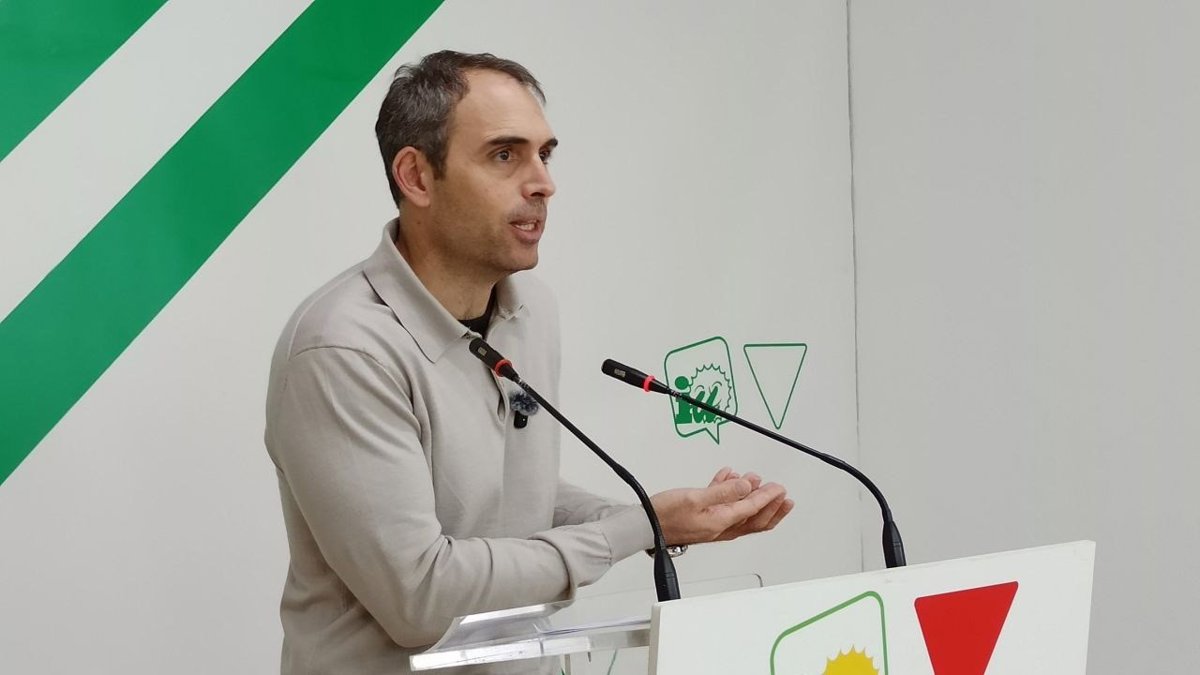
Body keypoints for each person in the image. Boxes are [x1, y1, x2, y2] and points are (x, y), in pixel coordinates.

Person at [264, 50, 794, 675]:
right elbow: (421, 598)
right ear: (417, 177)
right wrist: (632, 531)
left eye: (545, 154)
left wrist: (654, 518)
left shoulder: (529, 310)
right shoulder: (342, 349)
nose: (543, 183)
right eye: (504, 155)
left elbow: (510, 496)